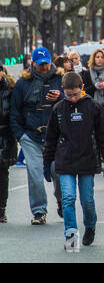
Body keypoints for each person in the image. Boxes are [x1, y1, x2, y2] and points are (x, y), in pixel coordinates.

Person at [43, 72, 104, 252]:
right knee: (67, 198)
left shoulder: (94, 107)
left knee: (87, 201)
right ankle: (71, 233)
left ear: (82, 88)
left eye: (75, 94)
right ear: (63, 91)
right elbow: (51, 138)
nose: (73, 98)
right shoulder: (59, 109)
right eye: (68, 95)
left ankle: (90, 225)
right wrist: (47, 162)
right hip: (65, 160)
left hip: (87, 160)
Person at [10, 47, 65, 225]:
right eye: (40, 64)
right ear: (32, 63)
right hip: (31, 135)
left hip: (56, 135)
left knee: (58, 172)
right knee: (34, 175)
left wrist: (60, 96)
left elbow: (74, 100)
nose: (44, 67)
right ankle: (39, 211)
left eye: (46, 63)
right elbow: (14, 111)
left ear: (51, 61)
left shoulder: (61, 79)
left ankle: (62, 202)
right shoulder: (22, 83)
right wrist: (20, 135)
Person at [0, 64, 18, 223]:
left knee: (2, 173)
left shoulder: (11, 90)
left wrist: (16, 135)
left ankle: (1, 209)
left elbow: (15, 114)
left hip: (5, 136)